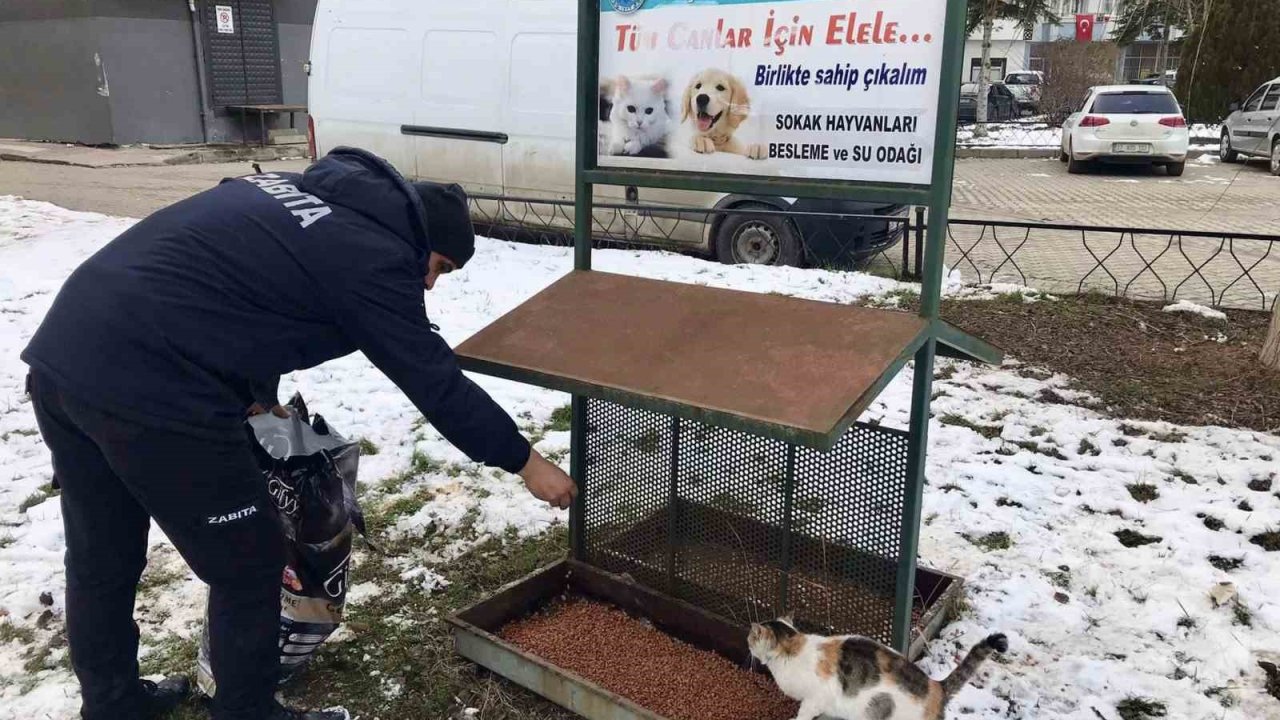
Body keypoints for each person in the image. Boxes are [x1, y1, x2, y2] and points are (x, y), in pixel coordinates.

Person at [22, 147, 577, 720]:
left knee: (101, 555)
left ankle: (112, 704)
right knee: (250, 565)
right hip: (153, 387)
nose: (430, 284)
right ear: (419, 240)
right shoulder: (373, 257)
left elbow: (240, 288)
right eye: (439, 266)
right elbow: (432, 378)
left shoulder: (298, 193)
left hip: (65, 358)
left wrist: (255, 395)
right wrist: (525, 462)